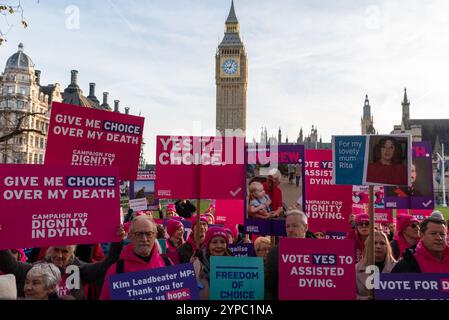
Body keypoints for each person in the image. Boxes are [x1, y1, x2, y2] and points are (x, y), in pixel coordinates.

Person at [0, 226, 125, 299]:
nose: (59, 255)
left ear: (72, 253)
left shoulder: (80, 268)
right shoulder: (37, 269)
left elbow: (107, 264)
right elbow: (11, 266)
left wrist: (117, 241)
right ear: (49, 249)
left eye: (65, 252)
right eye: (56, 250)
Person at [100, 216, 172, 300]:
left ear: (155, 235)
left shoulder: (167, 264)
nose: (144, 239)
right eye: (138, 234)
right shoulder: (116, 270)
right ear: (130, 236)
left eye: (149, 234)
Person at [265, 210, 316, 300]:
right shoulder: (275, 253)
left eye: (295, 225)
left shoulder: (319, 251)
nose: (290, 230)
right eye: (287, 226)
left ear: (305, 227)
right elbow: (268, 287)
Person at [193, 226, 232, 300]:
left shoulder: (235, 263)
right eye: (214, 242)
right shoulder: (198, 264)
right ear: (208, 245)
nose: (219, 246)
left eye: (223, 242)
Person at [356, 231, 397, 300]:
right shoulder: (356, 269)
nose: (378, 246)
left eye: (382, 243)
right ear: (367, 246)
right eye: (374, 243)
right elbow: (348, 294)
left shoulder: (398, 267)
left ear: (387, 247)